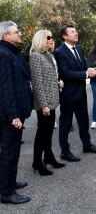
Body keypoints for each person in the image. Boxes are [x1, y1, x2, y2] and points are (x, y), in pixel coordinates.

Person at [55, 24, 96, 162]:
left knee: (83, 120)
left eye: (76, 31)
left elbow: (83, 66)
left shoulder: (79, 48)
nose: (76, 33)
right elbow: (66, 73)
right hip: (68, 94)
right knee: (66, 123)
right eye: (72, 32)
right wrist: (86, 74)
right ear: (64, 36)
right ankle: (65, 151)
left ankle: (87, 145)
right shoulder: (60, 52)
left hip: (81, 93)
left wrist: (91, 70)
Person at [0, 21, 31, 204]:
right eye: (16, 31)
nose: (20, 34)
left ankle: (8, 182)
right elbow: (4, 88)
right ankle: (6, 192)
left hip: (16, 111)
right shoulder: (3, 54)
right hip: (10, 114)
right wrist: (13, 115)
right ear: (6, 35)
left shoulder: (12, 52)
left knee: (11, 151)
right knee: (9, 152)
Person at [29, 30, 65, 176]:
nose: (52, 39)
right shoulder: (36, 56)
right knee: (42, 132)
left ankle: (48, 157)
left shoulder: (49, 55)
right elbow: (37, 83)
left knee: (49, 131)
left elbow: (47, 77)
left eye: (52, 37)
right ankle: (37, 162)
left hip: (51, 100)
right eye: (48, 37)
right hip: (44, 102)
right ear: (41, 40)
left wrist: (57, 83)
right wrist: (43, 105)